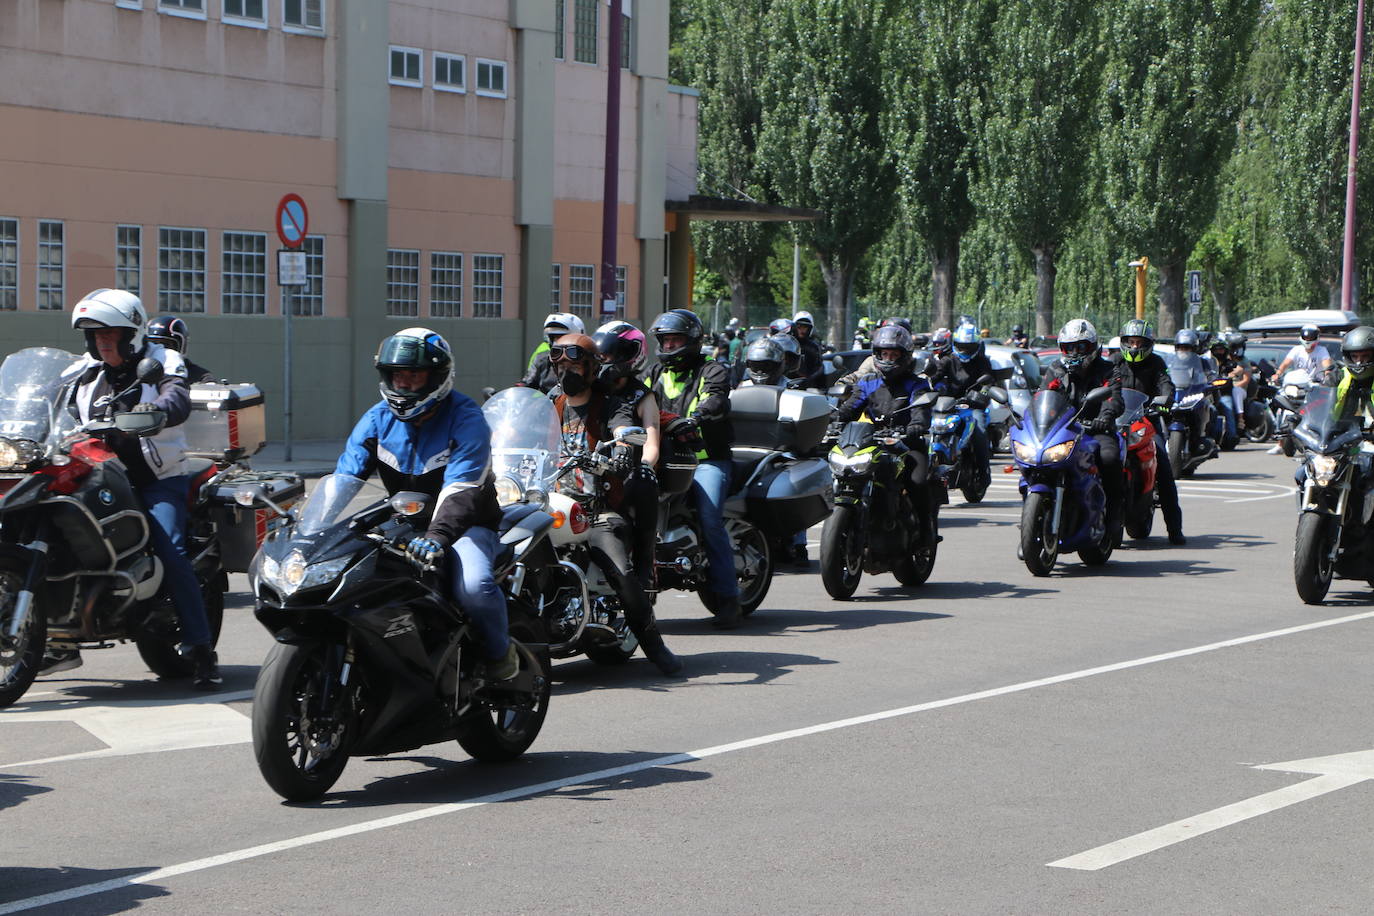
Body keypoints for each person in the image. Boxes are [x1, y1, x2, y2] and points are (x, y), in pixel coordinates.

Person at [338, 328, 518, 681]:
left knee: (474, 587)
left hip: (465, 525)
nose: (403, 385)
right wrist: (313, 527)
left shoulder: (466, 417)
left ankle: (500, 656)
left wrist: (437, 536)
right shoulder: (376, 419)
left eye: (414, 376)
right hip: (402, 523)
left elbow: (462, 489)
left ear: (436, 377)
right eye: (397, 375)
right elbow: (344, 479)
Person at [61, 289, 220, 688]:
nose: (101, 342)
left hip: (154, 479)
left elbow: (177, 396)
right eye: (94, 336)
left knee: (170, 548)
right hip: (96, 475)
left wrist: (159, 412)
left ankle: (201, 648)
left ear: (130, 333)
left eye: (108, 334)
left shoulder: (163, 360)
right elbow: (54, 401)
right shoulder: (85, 371)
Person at [549, 332, 682, 675]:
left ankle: (652, 641)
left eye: (574, 364)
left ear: (592, 368)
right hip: (549, 503)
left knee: (620, 572)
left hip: (595, 509)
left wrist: (623, 451)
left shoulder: (611, 403)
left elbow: (624, 428)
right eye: (560, 363)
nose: (566, 371)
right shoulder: (551, 401)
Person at [647, 309, 742, 628]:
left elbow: (716, 399)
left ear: (692, 341)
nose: (670, 346)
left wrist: (698, 417)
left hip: (706, 460)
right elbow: (638, 402)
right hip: (664, 458)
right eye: (666, 340)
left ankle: (729, 599)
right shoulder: (655, 373)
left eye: (676, 340)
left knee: (709, 517)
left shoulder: (711, 369)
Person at [833, 324, 940, 513]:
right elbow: (851, 407)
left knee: (917, 482)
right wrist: (834, 419)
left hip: (908, 443)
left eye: (894, 355)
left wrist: (916, 426)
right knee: (844, 473)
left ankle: (925, 533)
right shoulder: (868, 382)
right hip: (872, 442)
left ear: (905, 356)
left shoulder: (917, 384)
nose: (888, 359)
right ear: (877, 355)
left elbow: (921, 410)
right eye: (884, 354)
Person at [1040, 318, 1125, 527]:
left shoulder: (1108, 370)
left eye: (1080, 347)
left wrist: (1103, 418)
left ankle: (1114, 516)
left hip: (1095, 430)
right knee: (1035, 460)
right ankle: (1033, 517)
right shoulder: (1056, 370)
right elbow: (1042, 396)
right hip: (1062, 431)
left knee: (1109, 458)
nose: (1075, 352)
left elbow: (1113, 398)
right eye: (1069, 348)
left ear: (1093, 347)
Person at [1112, 320, 1186, 544]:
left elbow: (1166, 384)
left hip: (1146, 422)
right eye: (1131, 342)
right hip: (1116, 421)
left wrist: (1165, 400)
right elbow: (1104, 385)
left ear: (1148, 344)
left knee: (1163, 463)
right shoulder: (1114, 362)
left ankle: (1174, 528)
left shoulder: (1156, 363)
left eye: (1139, 342)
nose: (1134, 347)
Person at [929, 323, 996, 491]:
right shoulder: (948, 360)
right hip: (947, 405)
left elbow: (989, 382)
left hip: (973, 406)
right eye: (961, 346)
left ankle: (983, 471)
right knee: (928, 425)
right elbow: (935, 375)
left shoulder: (982, 361)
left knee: (979, 428)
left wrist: (981, 394)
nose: (965, 350)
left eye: (969, 347)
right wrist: (928, 382)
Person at [1172, 328, 1217, 458]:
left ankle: (1210, 441)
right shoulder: (1170, 361)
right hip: (1176, 394)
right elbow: (1164, 375)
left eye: (1187, 347)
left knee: (1212, 410)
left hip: (1193, 394)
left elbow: (1211, 376)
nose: (1183, 350)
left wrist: (1211, 383)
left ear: (1194, 348)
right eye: (1181, 347)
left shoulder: (1202, 362)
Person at [520, 313, 586, 393]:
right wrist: (517, 391)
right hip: (547, 404)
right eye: (553, 337)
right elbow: (528, 382)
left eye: (561, 337)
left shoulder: (587, 361)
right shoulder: (543, 359)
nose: (556, 342)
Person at [146, 316, 215, 384]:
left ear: (182, 346)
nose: (161, 351)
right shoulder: (136, 369)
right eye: (153, 344)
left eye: (166, 345)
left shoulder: (201, 377)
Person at [791, 311, 826, 390]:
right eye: (799, 327)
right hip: (786, 383)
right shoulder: (788, 343)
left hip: (807, 387)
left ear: (810, 329)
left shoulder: (813, 347)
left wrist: (807, 380)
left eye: (805, 327)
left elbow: (819, 369)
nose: (802, 330)